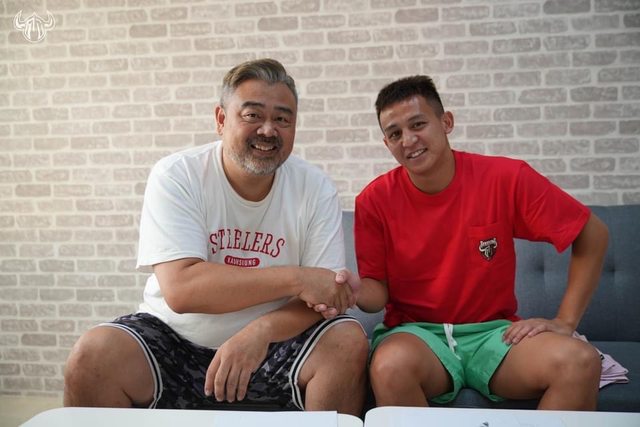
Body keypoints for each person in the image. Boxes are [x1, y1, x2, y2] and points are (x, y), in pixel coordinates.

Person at [64, 58, 368, 415]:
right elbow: (182, 289)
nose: (268, 130)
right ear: (221, 119)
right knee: (93, 355)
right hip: (175, 338)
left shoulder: (315, 188)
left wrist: (261, 331)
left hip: (277, 343)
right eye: (252, 115)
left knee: (346, 340)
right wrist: (298, 278)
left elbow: (324, 297)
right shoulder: (177, 175)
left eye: (282, 119)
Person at [354, 75, 609, 410]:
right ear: (386, 144)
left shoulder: (505, 178)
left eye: (418, 124)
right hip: (417, 335)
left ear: (446, 122)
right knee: (389, 366)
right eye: (395, 133)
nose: (409, 140)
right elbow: (376, 293)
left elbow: (592, 233)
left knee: (580, 362)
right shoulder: (373, 201)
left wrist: (565, 322)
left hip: (494, 335)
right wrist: (348, 289)